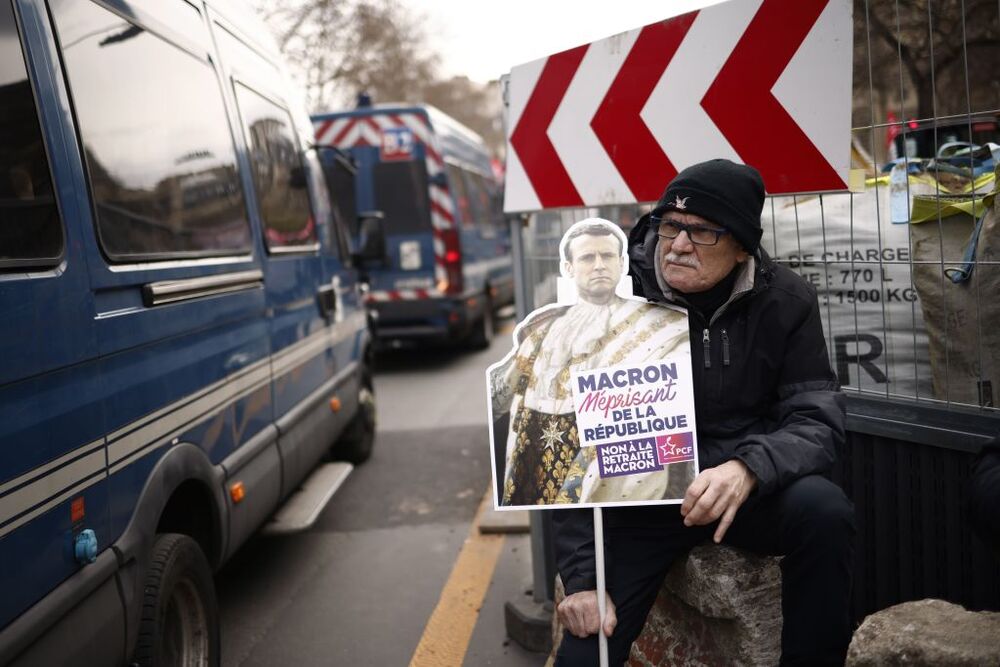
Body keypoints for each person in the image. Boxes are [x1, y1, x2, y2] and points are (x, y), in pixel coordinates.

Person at [553, 160, 856, 666]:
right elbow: (568, 441)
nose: (678, 244)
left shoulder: (786, 300)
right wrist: (582, 580)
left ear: (741, 247)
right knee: (586, 655)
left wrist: (750, 470)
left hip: (734, 488)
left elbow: (816, 418)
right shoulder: (612, 297)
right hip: (637, 501)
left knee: (824, 511)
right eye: (671, 224)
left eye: (702, 232)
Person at [490, 218, 692, 507]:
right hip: (542, 471)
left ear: (621, 263)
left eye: (607, 256)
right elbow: (504, 391)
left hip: (619, 479)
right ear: (568, 268)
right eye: (587, 257)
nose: (599, 265)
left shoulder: (666, 327)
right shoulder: (540, 329)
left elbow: (672, 415)